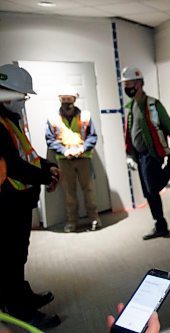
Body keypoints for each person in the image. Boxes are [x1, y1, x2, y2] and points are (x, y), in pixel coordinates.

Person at [0, 64, 61, 329]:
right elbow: (13, 166)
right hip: (6, 204)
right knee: (9, 257)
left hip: (18, 202)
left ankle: (21, 295)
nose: (24, 102)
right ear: (7, 94)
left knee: (17, 255)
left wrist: (47, 167)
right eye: (22, 97)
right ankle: (18, 309)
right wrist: (47, 176)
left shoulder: (9, 121)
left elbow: (28, 155)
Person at [121, 66, 170, 240]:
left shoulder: (153, 104)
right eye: (125, 84)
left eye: (129, 83)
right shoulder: (131, 107)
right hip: (140, 155)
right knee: (149, 193)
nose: (127, 87)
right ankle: (160, 225)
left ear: (139, 83)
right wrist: (130, 155)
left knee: (153, 189)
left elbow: (169, 125)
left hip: (153, 154)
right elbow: (129, 132)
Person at [45, 87, 101, 232]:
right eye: (63, 99)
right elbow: (50, 140)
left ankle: (95, 218)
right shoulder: (53, 118)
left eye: (69, 99)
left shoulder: (85, 116)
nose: (66, 102)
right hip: (64, 160)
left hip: (83, 158)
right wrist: (65, 151)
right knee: (69, 192)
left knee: (88, 189)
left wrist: (83, 148)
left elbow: (92, 136)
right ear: (59, 99)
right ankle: (72, 222)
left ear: (75, 99)